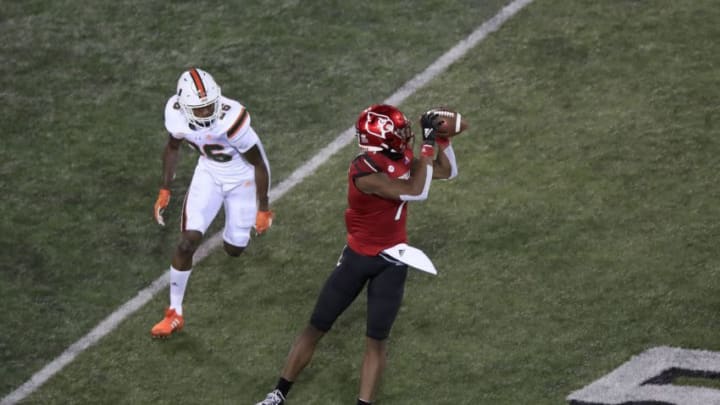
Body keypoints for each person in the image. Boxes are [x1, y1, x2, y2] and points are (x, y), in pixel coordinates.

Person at [256, 104, 459, 404]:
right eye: (398, 130)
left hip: (392, 260)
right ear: (382, 140)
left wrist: (442, 142)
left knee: (376, 341)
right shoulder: (363, 171)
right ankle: (277, 394)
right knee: (317, 326)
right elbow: (418, 190)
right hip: (358, 258)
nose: (406, 133)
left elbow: (447, 171)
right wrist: (428, 147)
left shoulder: (399, 156)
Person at [150, 68, 274, 338]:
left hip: (244, 179)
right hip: (208, 172)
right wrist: (165, 188)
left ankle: (238, 228)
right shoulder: (176, 114)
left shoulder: (233, 120)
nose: (206, 113)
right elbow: (173, 146)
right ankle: (174, 312)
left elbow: (258, 164)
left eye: (209, 107)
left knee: (234, 249)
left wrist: (263, 207)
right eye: (200, 108)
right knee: (186, 242)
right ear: (184, 106)